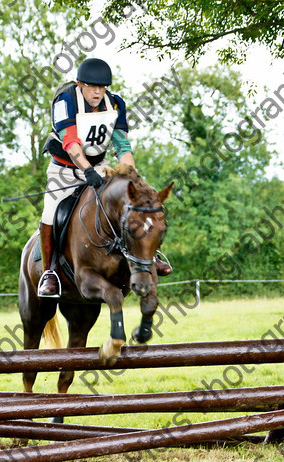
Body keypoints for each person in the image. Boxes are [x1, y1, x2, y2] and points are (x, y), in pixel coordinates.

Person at [38, 57, 172, 298]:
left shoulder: (115, 104)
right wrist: (87, 171)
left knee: (138, 201)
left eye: (102, 87)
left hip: (100, 166)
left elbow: (122, 145)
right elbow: (70, 142)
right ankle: (50, 272)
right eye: (92, 86)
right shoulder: (66, 100)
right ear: (80, 84)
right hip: (65, 169)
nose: (98, 92)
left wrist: (131, 176)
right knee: (50, 212)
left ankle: (149, 257)